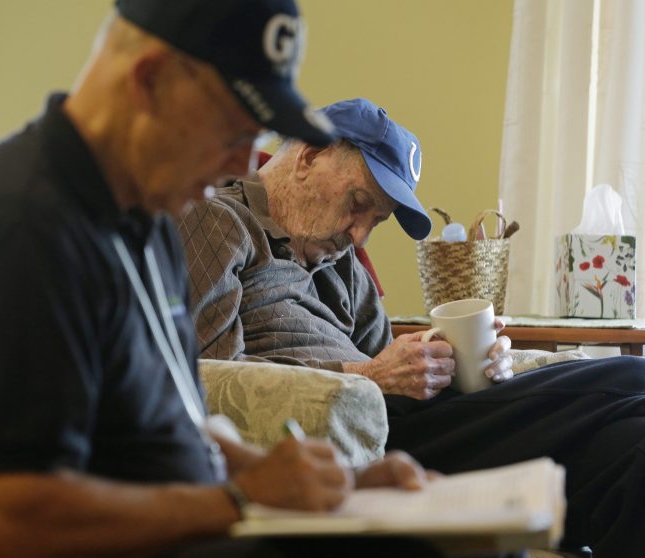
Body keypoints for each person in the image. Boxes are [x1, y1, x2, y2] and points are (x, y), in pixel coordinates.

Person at [0, 4, 447, 558]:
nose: (243, 165)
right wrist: (240, 500)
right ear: (150, 81)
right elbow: (4, 526)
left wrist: (333, 483)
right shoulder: (20, 230)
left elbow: (178, 427)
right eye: (233, 132)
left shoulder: (145, 220)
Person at [177, 97, 645, 558]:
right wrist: (366, 376)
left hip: (417, 421)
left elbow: (387, 360)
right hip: (372, 441)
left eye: (376, 221)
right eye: (358, 203)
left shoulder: (342, 263)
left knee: (631, 445)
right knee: (631, 376)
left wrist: (463, 362)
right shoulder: (219, 219)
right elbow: (210, 367)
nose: (360, 235)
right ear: (310, 156)